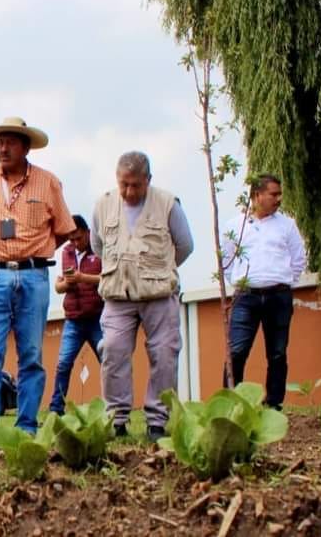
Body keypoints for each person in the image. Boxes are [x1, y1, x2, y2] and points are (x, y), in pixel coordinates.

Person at [0, 116, 76, 432]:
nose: (3, 147)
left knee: (32, 353)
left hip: (34, 276)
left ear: (26, 147)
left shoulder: (48, 182)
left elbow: (63, 230)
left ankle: (27, 424)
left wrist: (37, 249)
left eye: (10, 141)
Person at [92, 151, 193, 442]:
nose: (129, 191)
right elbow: (98, 246)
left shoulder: (168, 204)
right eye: (124, 184)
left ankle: (157, 422)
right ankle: (117, 420)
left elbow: (184, 246)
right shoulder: (103, 204)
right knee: (112, 351)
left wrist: (157, 273)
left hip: (159, 295)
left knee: (164, 355)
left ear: (148, 180)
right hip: (117, 296)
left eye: (135, 185)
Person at [222, 173, 307, 409]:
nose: (279, 198)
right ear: (257, 195)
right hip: (245, 297)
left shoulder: (286, 225)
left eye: (280, 194)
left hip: (278, 297)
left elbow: (298, 260)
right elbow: (227, 261)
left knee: (277, 353)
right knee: (236, 352)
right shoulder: (235, 226)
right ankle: (232, 405)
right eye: (274, 194)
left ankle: (274, 405)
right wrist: (244, 282)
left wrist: (282, 280)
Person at [48, 214, 103, 414]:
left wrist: (82, 278)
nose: (75, 243)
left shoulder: (100, 249)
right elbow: (58, 287)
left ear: (88, 233)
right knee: (63, 364)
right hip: (73, 319)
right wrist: (68, 283)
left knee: (108, 363)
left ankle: (115, 411)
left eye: (78, 238)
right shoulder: (65, 253)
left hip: (97, 317)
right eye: (71, 239)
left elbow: (106, 280)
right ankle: (56, 409)